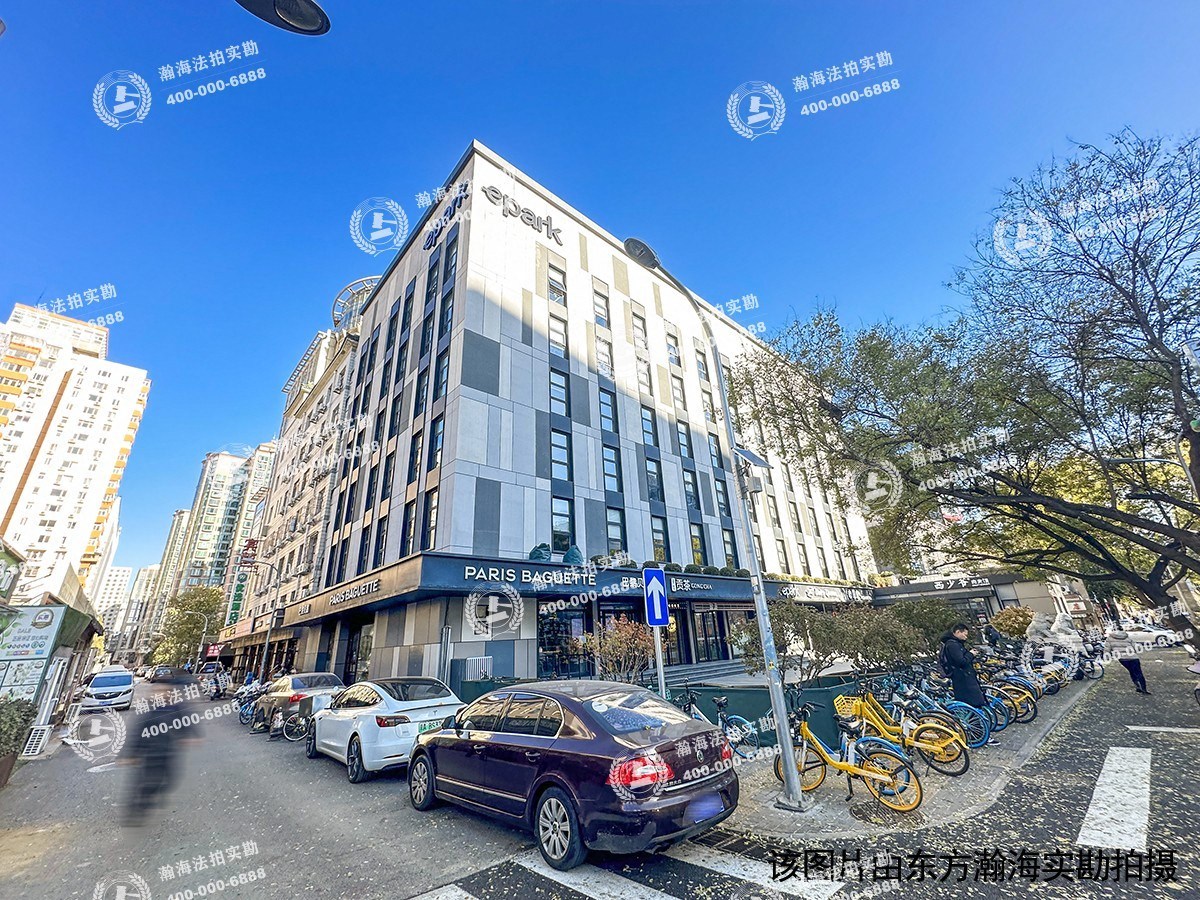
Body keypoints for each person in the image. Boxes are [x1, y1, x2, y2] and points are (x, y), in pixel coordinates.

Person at [121, 669, 201, 827]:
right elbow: (136, 731)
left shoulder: (176, 707)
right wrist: (130, 754)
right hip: (148, 752)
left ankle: (151, 797)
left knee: (170, 780)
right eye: (158, 690)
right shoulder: (148, 709)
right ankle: (136, 810)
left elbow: (187, 721)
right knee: (144, 782)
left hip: (168, 751)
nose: (162, 693)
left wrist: (192, 736)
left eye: (165, 691)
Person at [939, 623, 988, 707]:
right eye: (965, 634)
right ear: (958, 632)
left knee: (974, 702)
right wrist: (971, 654)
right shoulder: (952, 645)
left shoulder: (955, 643)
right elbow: (961, 661)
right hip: (963, 679)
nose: (966, 637)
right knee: (971, 703)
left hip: (964, 677)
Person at [1104, 629, 1150, 694]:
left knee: (1131, 671)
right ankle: (1143, 689)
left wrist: (1107, 657)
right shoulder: (1126, 637)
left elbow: (1107, 649)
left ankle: (1137, 686)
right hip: (1133, 657)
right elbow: (1136, 647)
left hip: (1122, 659)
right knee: (1138, 673)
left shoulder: (1109, 639)